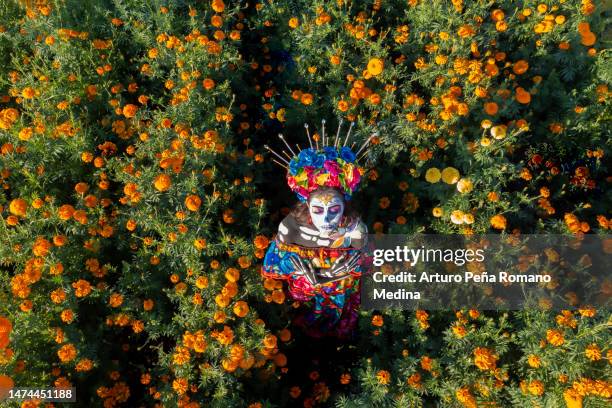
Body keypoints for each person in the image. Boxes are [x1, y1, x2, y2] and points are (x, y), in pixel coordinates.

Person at [261, 122, 375, 340]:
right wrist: (306, 274)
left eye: (334, 209)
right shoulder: (291, 228)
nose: (326, 218)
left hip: (338, 288)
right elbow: (274, 265)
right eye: (317, 210)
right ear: (307, 207)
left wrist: (333, 275)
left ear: (345, 206)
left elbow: (366, 266)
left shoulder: (355, 230)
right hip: (304, 290)